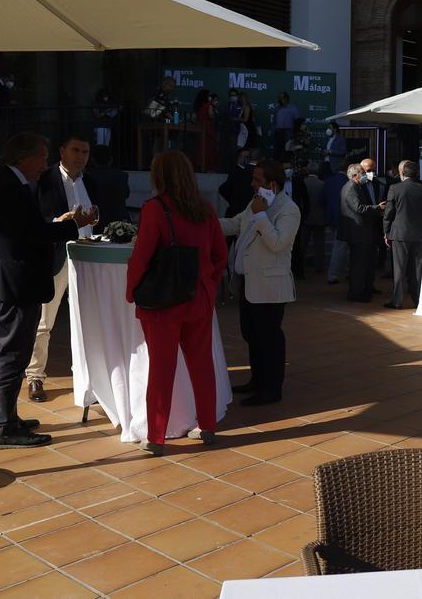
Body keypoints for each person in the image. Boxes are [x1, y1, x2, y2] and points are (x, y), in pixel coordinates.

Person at [0, 132, 96, 448]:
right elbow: (29, 233)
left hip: (15, 279)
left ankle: (1, 417)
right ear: (24, 157)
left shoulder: (9, 183)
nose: (45, 165)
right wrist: (72, 224)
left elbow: (26, 230)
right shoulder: (9, 187)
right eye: (42, 157)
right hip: (15, 281)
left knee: (13, 353)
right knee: (13, 354)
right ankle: (4, 427)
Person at [126, 152, 226, 454]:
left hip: (164, 302)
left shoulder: (155, 209)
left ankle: (156, 436)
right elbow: (220, 254)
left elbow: (141, 257)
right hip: (199, 298)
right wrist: (209, 282)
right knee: (201, 363)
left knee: (161, 368)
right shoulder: (205, 209)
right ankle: (207, 424)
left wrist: (132, 292)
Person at [26, 133, 100, 403]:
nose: (81, 156)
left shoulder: (91, 181)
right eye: (76, 150)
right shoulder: (44, 180)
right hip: (57, 256)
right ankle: (35, 375)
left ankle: (93, 377)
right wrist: (61, 220)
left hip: (87, 257)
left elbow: (99, 218)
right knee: (44, 321)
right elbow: (37, 220)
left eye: (86, 151)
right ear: (62, 151)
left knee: (89, 319)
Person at [220, 160, 300, 406]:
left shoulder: (288, 210)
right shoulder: (255, 203)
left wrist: (261, 215)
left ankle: (271, 388)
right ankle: (257, 380)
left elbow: (278, 243)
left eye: (257, 180)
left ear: (272, 185)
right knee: (251, 334)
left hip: (270, 286)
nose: (252, 184)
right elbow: (236, 223)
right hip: (249, 281)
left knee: (269, 338)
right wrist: (204, 223)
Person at [383, 160, 422, 309]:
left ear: (401, 172)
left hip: (399, 233)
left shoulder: (395, 188)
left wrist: (386, 232)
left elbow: (388, 213)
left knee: (399, 269)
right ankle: (419, 301)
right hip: (419, 233)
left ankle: (397, 301)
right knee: (417, 269)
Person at [339, 163, 385, 302]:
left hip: (361, 231)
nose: (365, 176)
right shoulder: (351, 187)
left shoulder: (355, 186)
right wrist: (377, 208)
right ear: (354, 175)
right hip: (358, 232)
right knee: (358, 264)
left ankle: (361, 290)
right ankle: (356, 293)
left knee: (361, 263)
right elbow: (359, 208)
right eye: (362, 173)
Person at [87, 144, 130, 226]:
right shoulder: (122, 176)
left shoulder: (88, 177)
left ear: (92, 160)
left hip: (97, 223)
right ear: (111, 159)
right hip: (119, 222)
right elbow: (126, 194)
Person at [323, 161, 350, 284]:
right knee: (341, 247)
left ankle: (342, 272)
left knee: (340, 246)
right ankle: (334, 275)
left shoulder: (329, 181)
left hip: (332, 217)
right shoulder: (348, 182)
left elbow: (321, 199)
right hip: (344, 218)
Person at [303, 162, 327, 272]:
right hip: (319, 217)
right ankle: (320, 266)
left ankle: (300, 265)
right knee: (319, 244)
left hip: (305, 216)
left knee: (303, 243)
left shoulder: (304, 182)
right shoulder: (322, 184)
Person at [218, 148, 254, 218]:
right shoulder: (235, 170)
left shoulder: (249, 170)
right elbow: (223, 189)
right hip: (236, 209)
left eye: (249, 157)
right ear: (239, 157)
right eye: (246, 157)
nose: (247, 159)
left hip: (246, 208)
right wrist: (233, 201)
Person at [194, 89, 218, 171]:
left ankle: (199, 165)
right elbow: (211, 116)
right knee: (208, 147)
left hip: (199, 127)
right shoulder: (209, 105)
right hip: (207, 127)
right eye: (209, 95)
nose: (210, 97)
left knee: (200, 147)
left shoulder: (198, 105)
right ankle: (207, 166)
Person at [271, 92, 299, 160]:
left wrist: (294, 134)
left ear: (286, 99)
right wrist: (273, 131)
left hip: (288, 133)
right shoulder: (277, 108)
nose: (279, 100)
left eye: (281, 98)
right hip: (278, 132)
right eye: (279, 98)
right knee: (277, 152)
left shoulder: (293, 108)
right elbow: (274, 121)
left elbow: (297, 121)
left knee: (287, 152)